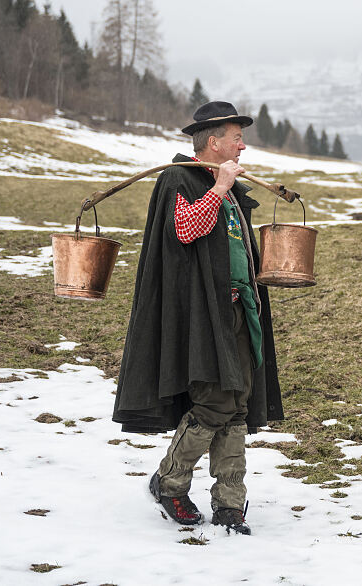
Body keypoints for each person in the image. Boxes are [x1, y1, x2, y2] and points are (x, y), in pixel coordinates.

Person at [112, 101, 282, 536]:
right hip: (202, 316)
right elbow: (186, 230)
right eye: (236, 137)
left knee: (238, 403)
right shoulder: (179, 179)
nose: (243, 145)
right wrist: (221, 186)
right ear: (213, 142)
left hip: (239, 311)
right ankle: (169, 484)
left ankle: (229, 503)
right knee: (213, 403)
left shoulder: (224, 187)